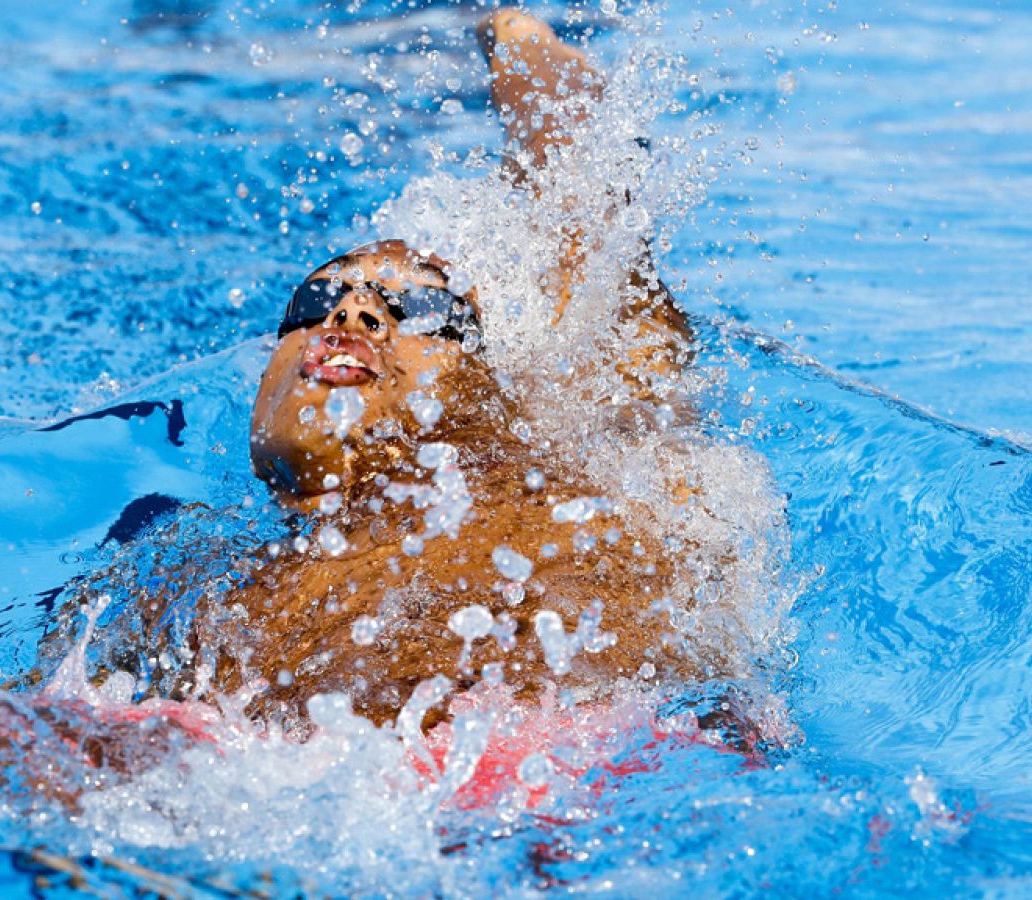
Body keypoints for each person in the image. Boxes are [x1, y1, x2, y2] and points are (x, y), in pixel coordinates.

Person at [67, 9, 765, 733]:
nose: (355, 312)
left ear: (489, 389)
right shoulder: (185, 588)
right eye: (317, 297)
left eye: (420, 309)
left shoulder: (588, 478)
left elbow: (588, 188)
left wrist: (515, 32)